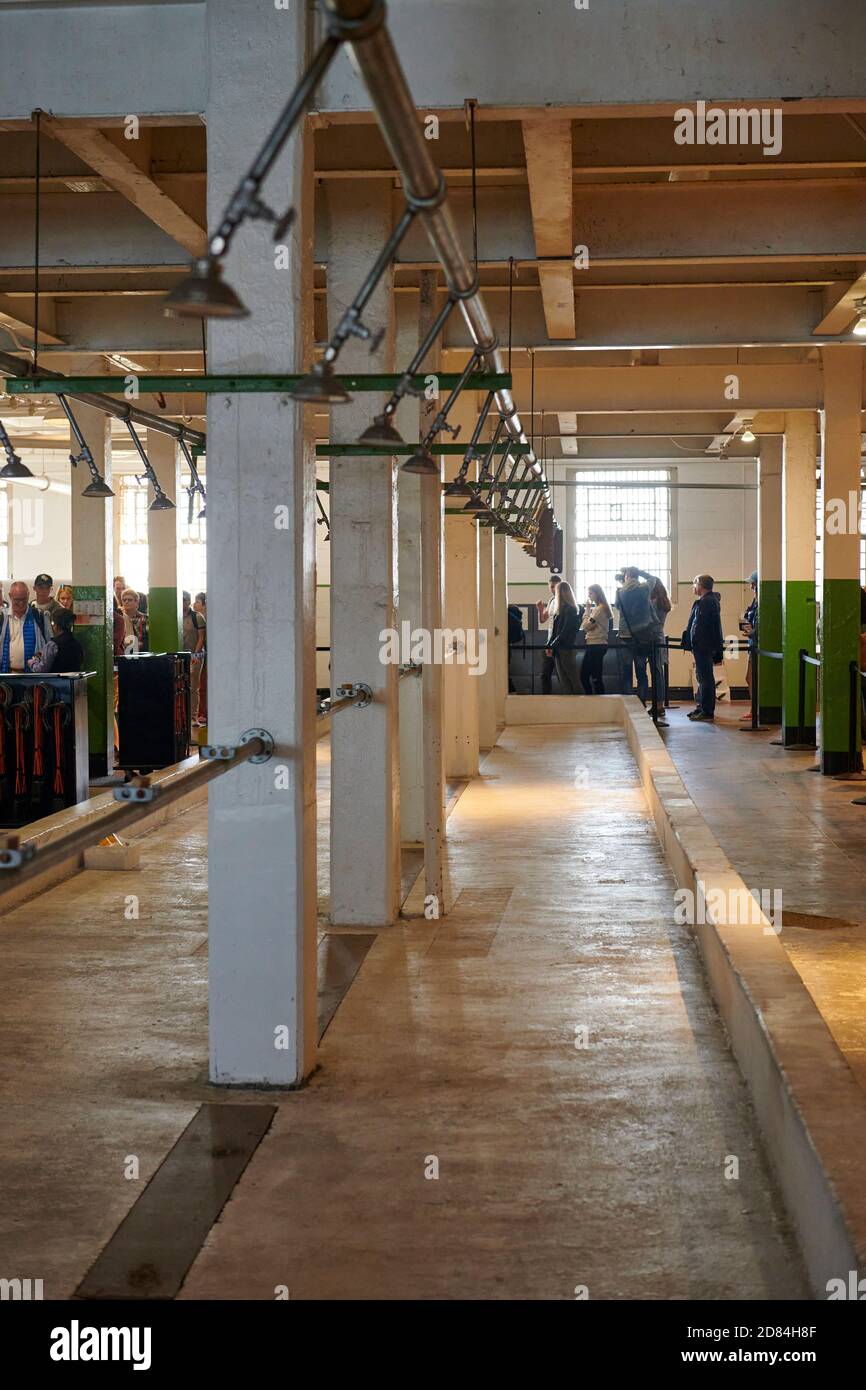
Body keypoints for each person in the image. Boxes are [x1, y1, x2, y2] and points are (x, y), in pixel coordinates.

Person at [615, 566, 668, 726]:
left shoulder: (620, 592)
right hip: (642, 637)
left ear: (626, 577)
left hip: (625, 635)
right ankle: (642, 703)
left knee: (626, 672)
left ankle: (629, 707)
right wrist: (640, 573)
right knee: (641, 673)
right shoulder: (645, 589)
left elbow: (618, 606)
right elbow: (653, 579)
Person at [682, 574, 724, 722]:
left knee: (705, 678)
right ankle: (702, 707)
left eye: (694, 584)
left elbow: (704, 627)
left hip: (704, 646)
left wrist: (698, 642)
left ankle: (707, 710)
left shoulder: (708, 602)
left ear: (700, 585)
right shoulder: (705, 601)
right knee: (701, 677)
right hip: (701, 645)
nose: (693, 587)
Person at [0, 581, 45, 672]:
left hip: (32, 676)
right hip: (7, 674)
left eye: (24, 599)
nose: (21, 603)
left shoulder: (39, 616)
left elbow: (48, 645)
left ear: (28, 595)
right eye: (17, 600)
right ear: (10, 596)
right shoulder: (2, 617)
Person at [547, 580, 581, 694]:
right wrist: (550, 645)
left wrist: (552, 645)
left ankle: (580, 703)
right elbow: (555, 632)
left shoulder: (570, 610)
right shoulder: (560, 610)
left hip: (566, 648)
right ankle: (570, 703)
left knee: (572, 678)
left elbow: (564, 632)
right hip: (559, 648)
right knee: (563, 679)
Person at [28, 607, 84, 673]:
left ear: (56, 625)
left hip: (55, 682)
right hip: (72, 682)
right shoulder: (77, 644)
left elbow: (41, 670)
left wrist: (32, 663)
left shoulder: (52, 645)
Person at [580, 584, 612, 694]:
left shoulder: (599, 610)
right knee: (594, 676)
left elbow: (585, 627)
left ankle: (594, 700)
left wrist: (587, 610)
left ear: (597, 594)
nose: (589, 596)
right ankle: (595, 699)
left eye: (590, 593)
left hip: (595, 645)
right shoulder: (602, 608)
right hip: (596, 644)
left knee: (590, 676)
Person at [536, 574, 561, 694]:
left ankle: (569, 700)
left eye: (555, 587)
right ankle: (545, 698)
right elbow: (543, 619)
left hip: (559, 641)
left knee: (563, 674)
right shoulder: (551, 600)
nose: (553, 589)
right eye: (551, 587)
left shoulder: (564, 601)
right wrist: (540, 609)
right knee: (545, 674)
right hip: (549, 640)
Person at [183, 591, 206, 725]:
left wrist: (195, 655)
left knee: (193, 687)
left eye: (184, 599)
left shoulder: (197, 617)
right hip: (181, 656)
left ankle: (193, 716)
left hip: (195, 656)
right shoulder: (176, 616)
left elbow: (201, 638)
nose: (182, 602)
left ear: (188, 601)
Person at [739, 571, 758, 722]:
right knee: (750, 678)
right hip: (753, 643)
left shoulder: (760, 601)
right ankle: (754, 708)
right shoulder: (755, 601)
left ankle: (755, 709)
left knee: (751, 678)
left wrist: (753, 632)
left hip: (757, 644)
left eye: (753, 583)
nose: (751, 586)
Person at [114, 588, 148, 656]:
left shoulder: (145, 618)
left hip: (142, 654)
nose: (126, 602)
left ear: (136, 602)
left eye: (130, 600)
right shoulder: (119, 618)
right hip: (124, 653)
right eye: (124, 600)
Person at [30, 572, 62, 639]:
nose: (44, 591)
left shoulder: (59, 610)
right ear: (34, 588)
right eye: (41, 587)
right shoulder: (29, 607)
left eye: (47, 588)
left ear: (51, 589)